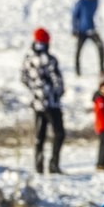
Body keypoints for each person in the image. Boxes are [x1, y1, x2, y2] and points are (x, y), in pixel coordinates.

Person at [20, 27, 66, 174]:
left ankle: (38, 166)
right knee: (59, 133)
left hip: (37, 103)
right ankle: (53, 164)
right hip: (51, 103)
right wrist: (55, 93)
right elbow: (57, 81)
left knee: (40, 135)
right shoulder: (49, 60)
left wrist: (35, 91)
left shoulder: (28, 59)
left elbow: (23, 78)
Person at [72, 0, 104, 76]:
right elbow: (75, 15)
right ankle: (77, 70)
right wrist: (75, 29)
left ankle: (102, 69)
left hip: (91, 29)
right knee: (79, 50)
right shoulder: (81, 2)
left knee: (100, 46)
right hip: (82, 31)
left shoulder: (95, 1)